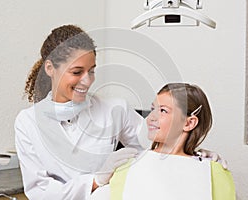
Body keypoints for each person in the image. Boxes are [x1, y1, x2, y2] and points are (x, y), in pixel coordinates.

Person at [14, 25, 226, 200]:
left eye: (92, 70)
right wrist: (96, 180)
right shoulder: (28, 122)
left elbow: (157, 145)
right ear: (50, 68)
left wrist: (194, 155)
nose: (87, 81)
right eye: (77, 72)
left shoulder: (115, 109)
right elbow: (39, 191)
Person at [91, 83, 236, 200]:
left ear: (189, 123)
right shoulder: (127, 167)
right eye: (153, 109)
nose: (151, 117)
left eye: (163, 111)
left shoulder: (212, 172)